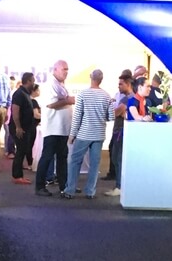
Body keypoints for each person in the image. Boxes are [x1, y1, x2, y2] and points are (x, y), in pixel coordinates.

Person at [62, 69, 113, 200]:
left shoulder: (83, 94)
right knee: (95, 164)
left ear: (90, 77)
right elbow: (111, 117)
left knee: (75, 162)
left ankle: (70, 190)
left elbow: (77, 117)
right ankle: (90, 191)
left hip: (84, 134)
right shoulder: (107, 96)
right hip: (99, 134)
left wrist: (72, 135)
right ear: (101, 79)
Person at [35, 60, 74, 197]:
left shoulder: (60, 85)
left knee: (62, 158)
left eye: (67, 69)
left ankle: (64, 186)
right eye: (64, 69)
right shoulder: (51, 84)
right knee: (47, 157)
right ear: (55, 69)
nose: (66, 72)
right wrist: (68, 100)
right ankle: (40, 186)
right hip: (53, 128)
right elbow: (51, 104)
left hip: (62, 128)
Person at [105, 70, 133, 197]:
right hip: (119, 130)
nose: (119, 86)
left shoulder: (128, 98)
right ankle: (119, 186)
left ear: (128, 84)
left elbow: (116, 113)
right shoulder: (125, 98)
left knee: (118, 158)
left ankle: (120, 186)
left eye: (121, 84)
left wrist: (113, 111)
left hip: (121, 132)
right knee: (116, 158)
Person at [10, 72, 36, 184]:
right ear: (28, 81)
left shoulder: (25, 93)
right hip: (20, 128)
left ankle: (18, 174)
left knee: (23, 150)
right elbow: (15, 111)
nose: (34, 83)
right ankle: (17, 176)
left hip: (25, 127)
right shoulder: (19, 94)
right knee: (21, 150)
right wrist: (18, 127)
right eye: (33, 81)